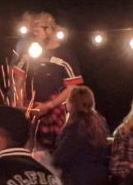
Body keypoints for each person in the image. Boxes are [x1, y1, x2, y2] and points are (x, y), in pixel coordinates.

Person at [14, 11, 82, 152]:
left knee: (49, 153)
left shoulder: (65, 56)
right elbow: (19, 77)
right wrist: (20, 103)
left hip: (54, 115)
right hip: (30, 111)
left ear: (49, 30)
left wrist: (48, 105)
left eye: (37, 32)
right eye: (33, 33)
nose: (35, 36)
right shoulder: (31, 51)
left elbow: (72, 87)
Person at [50, 85, 110, 185]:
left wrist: (43, 157)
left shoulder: (76, 127)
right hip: (100, 183)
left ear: (72, 103)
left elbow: (59, 158)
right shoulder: (99, 122)